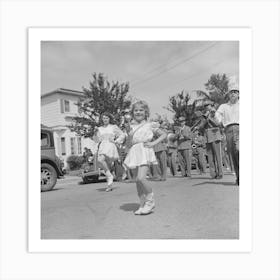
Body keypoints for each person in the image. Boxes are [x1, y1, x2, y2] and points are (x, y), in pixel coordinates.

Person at [124, 100, 167, 215]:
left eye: (141, 110)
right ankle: (142, 204)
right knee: (137, 181)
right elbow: (128, 144)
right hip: (134, 151)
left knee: (141, 178)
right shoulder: (130, 127)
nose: (138, 112)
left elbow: (164, 134)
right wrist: (129, 135)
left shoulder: (149, 124)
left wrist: (153, 144)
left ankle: (150, 201)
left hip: (144, 150)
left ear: (146, 112)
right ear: (133, 113)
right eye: (136, 110)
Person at [215, 85, 239, 185]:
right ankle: (239, 178)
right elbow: (217, 114)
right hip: (228, 129)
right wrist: (220, 122)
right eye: (231, 92)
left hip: (241, 128)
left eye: (235, 92)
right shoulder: (223, 106)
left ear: (238, 94)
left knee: (239, 150)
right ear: (228, 95)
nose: (233, 93)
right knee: (233, 154)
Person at [95, 112, 125, 191]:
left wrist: (116, 140)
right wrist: (95, 134)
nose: (105, 119)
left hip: (110, 146)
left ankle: (109, 179)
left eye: (106, 118)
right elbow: (97, 140)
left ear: (109, 119)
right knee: (102, 162)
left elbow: (122, 135)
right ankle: (110, 181)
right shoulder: (99, 129)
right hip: (102, 146)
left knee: (104, 162)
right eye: (104, 118)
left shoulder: (113, 127)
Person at [194, 105, 223, 179]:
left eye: (209, 107)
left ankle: (220, 173)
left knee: (217, 156)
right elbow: (201, 127)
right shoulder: (204, 117)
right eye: (206, 107)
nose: (208, 109)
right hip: (207, 137)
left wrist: (209, 118)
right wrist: (199, 125)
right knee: (210, 157)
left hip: (215, 136)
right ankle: (213, 174)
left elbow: (217, 124)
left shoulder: (216, 114)